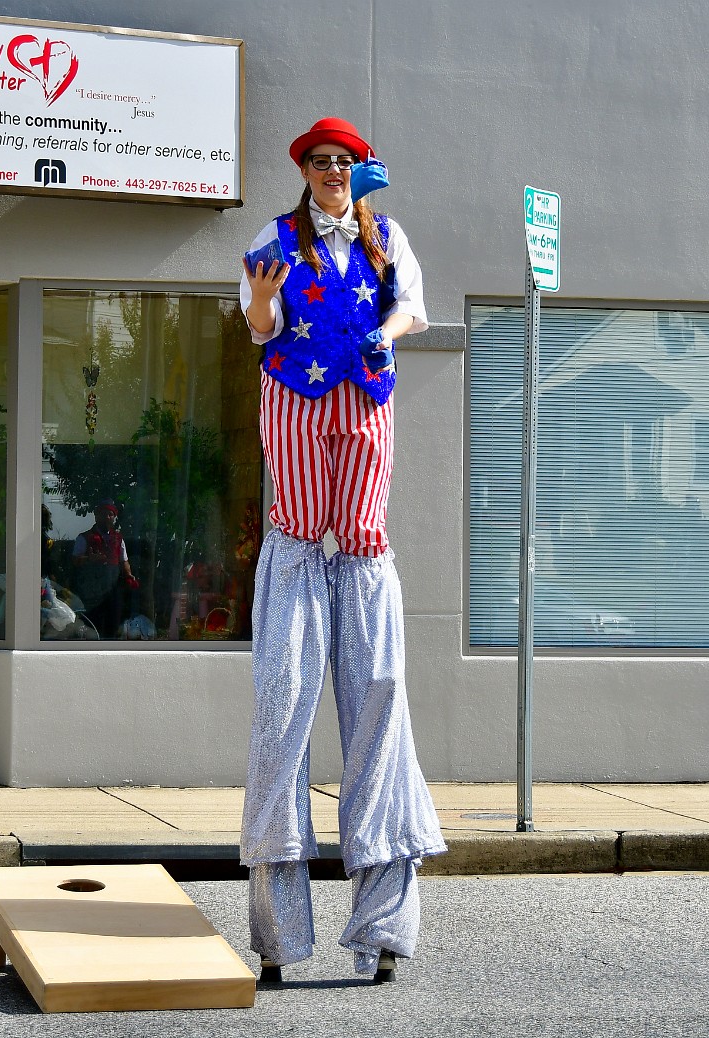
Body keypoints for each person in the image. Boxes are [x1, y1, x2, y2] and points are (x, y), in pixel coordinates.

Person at [239, 117, 447, 985]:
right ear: (304, 171)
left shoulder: (387, 235)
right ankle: (282, 936)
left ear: (362, 173)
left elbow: (412, 308)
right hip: (295, 411)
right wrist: (260, 295)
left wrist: (387, 334)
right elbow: (257, 327)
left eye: (347, 162)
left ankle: (384, 926)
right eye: (322, 161)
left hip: (365, 405)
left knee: (378, 697)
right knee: (285, 706)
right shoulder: (273, 239)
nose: (334, 172)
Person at [72, 500, 136, 638]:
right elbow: (75, 561)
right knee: (94, 621)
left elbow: (124, 560)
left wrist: (129, 575)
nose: (107, 517)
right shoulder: (85, 537)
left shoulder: (118, 538)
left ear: (114, 517)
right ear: (96, 516)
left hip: (113, 585)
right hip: (92, 587)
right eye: (103, 514)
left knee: (113, 619)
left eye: (110, 515)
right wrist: (89, 559)